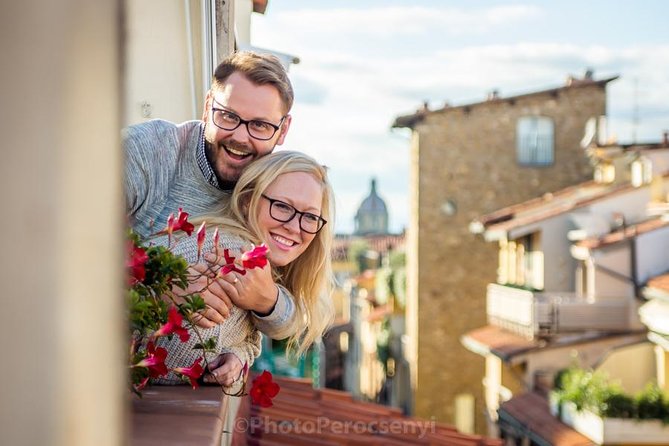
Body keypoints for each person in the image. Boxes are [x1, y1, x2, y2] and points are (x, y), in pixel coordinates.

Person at [123, 51, 297, 376]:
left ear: (283, 130)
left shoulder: (276, 192)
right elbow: (64, 240)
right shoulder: (147, 152)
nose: (240, 138)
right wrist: (156, 287)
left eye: (259, 125)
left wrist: (265, 306)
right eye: (228, 116)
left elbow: (295, 314)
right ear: (207, 107)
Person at [154, 151, 334, 387]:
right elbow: (178, 357)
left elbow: (243, 332)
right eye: (281, 206)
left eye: (310, 217)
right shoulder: (223, 253)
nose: (294, 226)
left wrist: (240, 354)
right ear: (248, 200)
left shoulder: (256, 265)